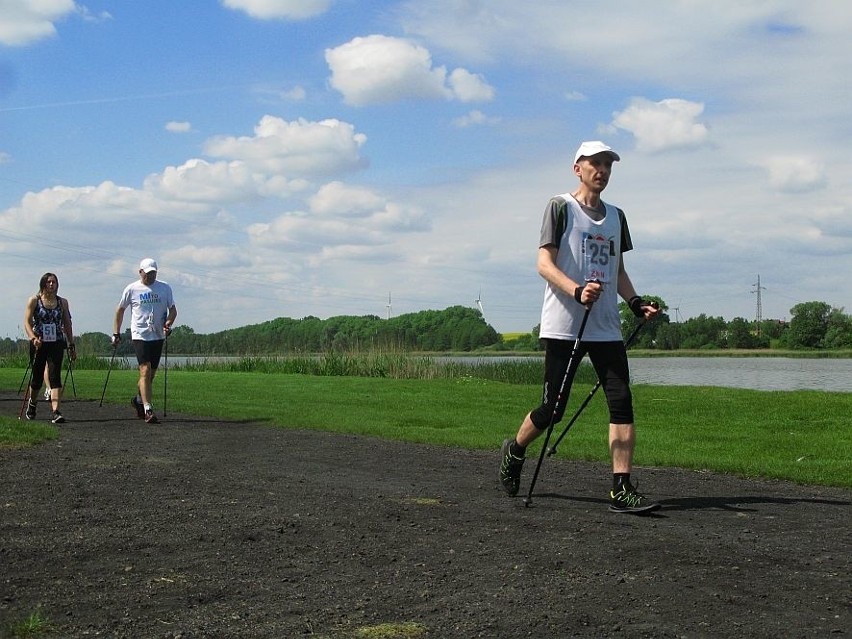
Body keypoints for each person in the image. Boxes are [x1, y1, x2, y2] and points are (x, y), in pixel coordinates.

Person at [499, 141, 661, 514]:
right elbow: (544, 263)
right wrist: (575, 290)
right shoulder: (560, 207)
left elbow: (617, 271)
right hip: (564, 325)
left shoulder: (618, 217)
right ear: (578, 168)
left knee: (621, 402)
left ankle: (621, 488)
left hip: (605, 327)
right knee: (552, 409)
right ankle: (516, 450)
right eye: (595, 164)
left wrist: (636, 304)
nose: (602, 170)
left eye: (607, 165)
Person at [113, 258, 177, 424]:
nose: (151, 276)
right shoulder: (132, 289)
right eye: (148, 273)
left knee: (151, 375)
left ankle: (138, 400)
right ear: (140, 272)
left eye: (153, 273)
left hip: (157, 335)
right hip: (140, 334)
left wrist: (168, 322)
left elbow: (173, 310)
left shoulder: (165, 288)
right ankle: (148, 409)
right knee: (145, 370)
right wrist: (116, 332)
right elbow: (120, 310)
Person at [23, 273, 76, 424]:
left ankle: (56, 411)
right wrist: (33, 337)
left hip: (57, 342)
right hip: (39, 342)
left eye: (54, 282)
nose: (52, 284)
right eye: (49, 282)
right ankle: (32, 403)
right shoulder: (34, 300)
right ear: (43, 284)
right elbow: (27, 322)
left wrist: (71, 343)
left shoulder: (62, 302)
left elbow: (67, 324)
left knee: (55, 375)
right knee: (37, 377)